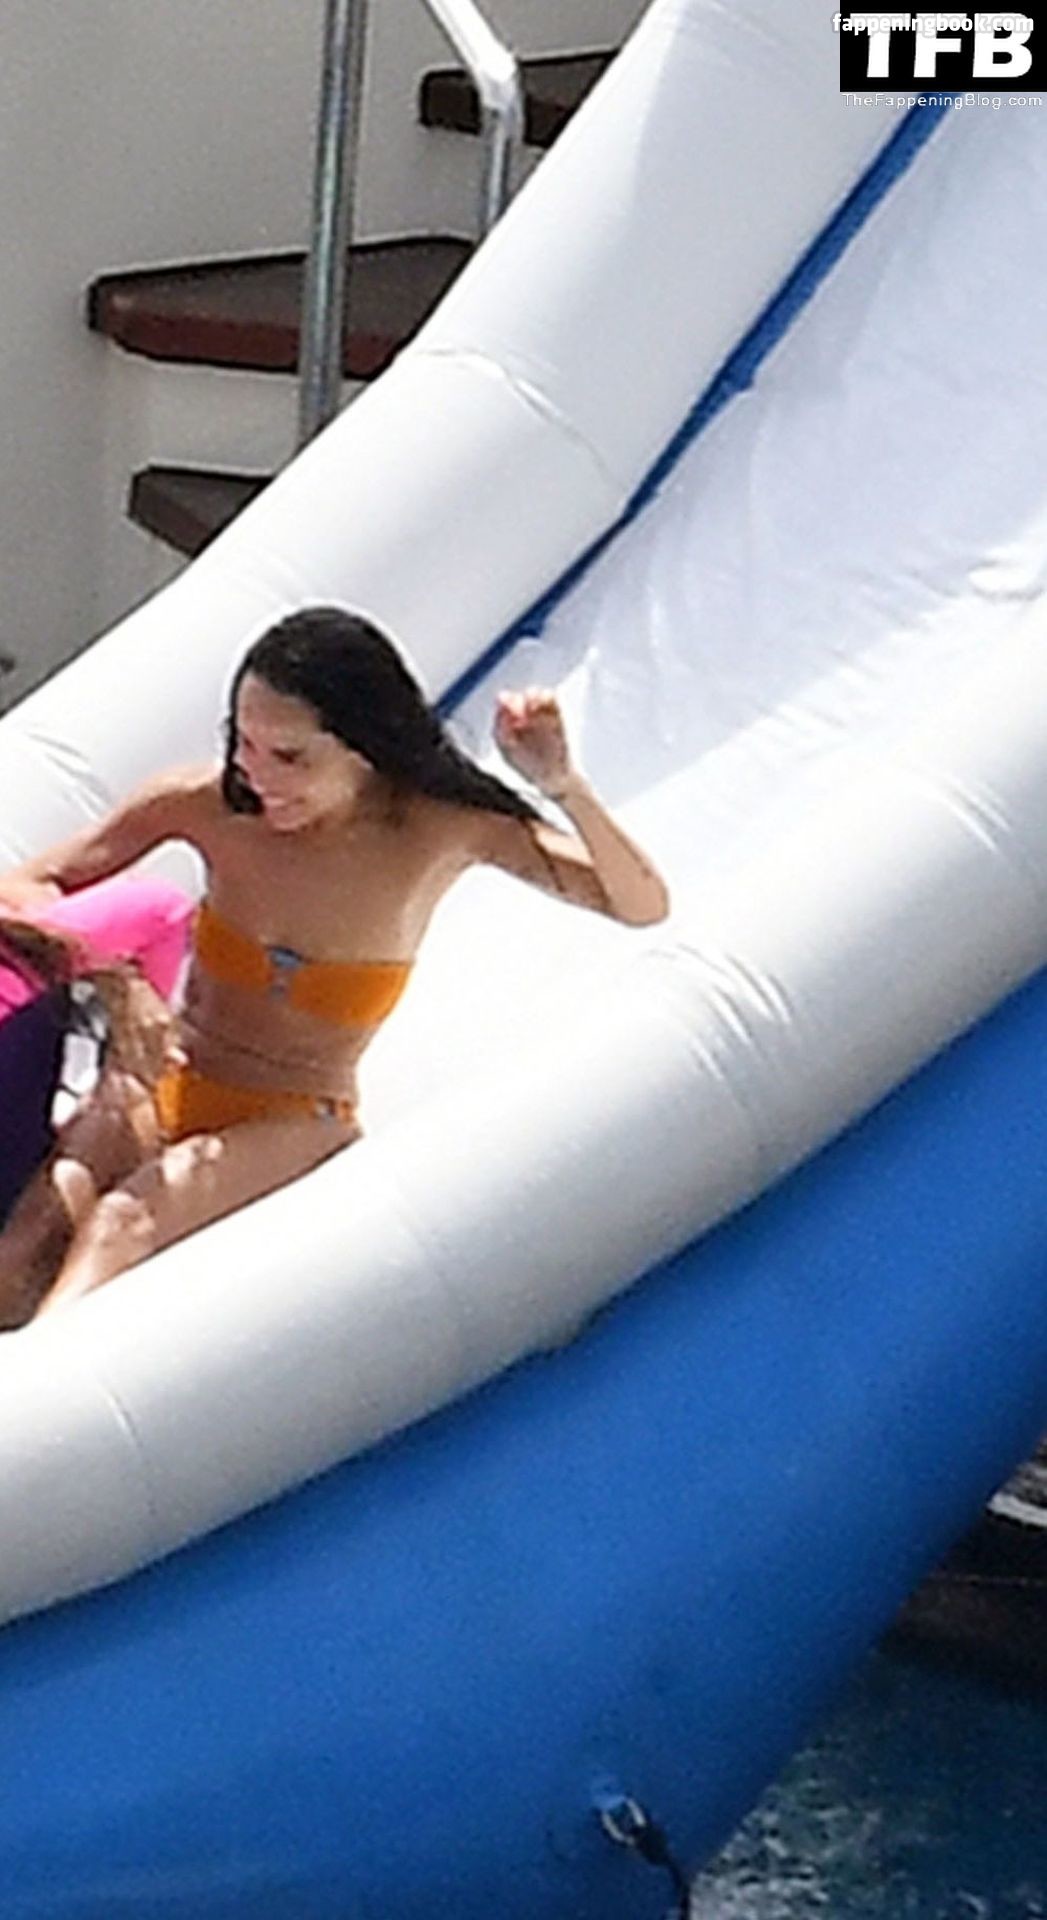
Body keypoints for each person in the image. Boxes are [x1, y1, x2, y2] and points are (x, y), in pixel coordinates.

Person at [0, 605, 669, 1324]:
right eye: (244, 743)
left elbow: (639, 904)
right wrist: (123, 982)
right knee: (22, 1246)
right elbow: (27, 893)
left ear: (364, 747)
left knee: (121, 1223)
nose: (258, 775)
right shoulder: (206, 806)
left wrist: (565, 786)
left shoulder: (440, 832)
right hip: (169, 1081)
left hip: (294, 1115)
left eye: (289, 757)